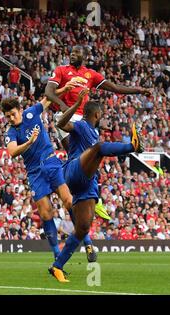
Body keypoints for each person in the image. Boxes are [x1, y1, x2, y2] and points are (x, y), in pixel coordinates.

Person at [49, 92, 144, 282]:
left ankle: (57, 266)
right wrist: (76, 103)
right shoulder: (82, 125)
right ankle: (131, 147)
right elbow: (60, 125)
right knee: (99, 148)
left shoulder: (93, 133)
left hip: (86, 184)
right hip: (73, 170)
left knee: (83, 227)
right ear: (97, 115)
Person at [3, 96, 73, 260]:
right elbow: (12, 152)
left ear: (20, 110)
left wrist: (65, 88)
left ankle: (87, 242)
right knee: (46, 213)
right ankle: (57, 254)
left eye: (13, 114)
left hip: (51, 161)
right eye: (8, 117)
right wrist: (29, 142)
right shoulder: (11, 132)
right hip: (34, 172)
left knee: (68, 201)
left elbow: (48, 98)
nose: (11, 119)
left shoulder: (31, 113)